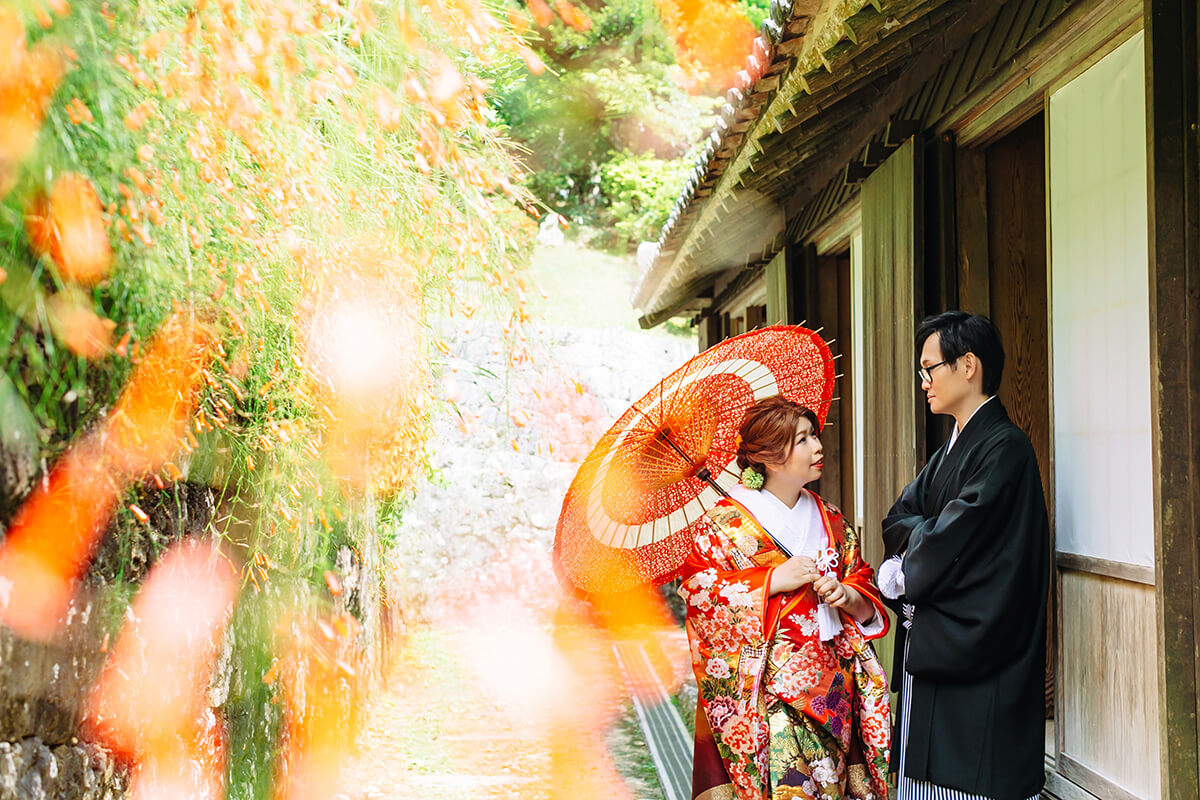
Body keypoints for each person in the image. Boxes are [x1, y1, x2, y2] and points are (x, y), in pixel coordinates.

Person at [681, 395, 892, 800]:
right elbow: (698, 592)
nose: (818, 447)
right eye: (802, 440)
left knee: (832, 789)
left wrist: (847, 595)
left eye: (814, 435)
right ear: (771, 457)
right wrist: (772, 579)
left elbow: (864, 590)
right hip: (768, 696)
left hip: (833, 691)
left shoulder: (831, 519)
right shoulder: (724, 525)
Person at [880, 311, 1050, 800]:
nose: (924, 382)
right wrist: (922, 547)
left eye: (929, 369)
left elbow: (954, 537)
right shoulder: (952, 448)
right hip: (939, 637)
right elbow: (899, 519)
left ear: (968, 365)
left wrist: (913, 563)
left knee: (972, 777)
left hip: (980, 641)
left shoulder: (1006, 449)